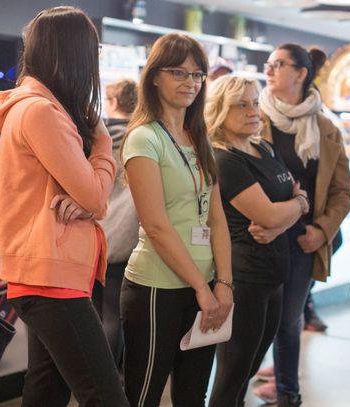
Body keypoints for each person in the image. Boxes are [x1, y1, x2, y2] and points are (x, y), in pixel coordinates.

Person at [0, 7, 128, 407]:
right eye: (93, 51)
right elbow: (96, 197)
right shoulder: (40, 111)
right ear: (75, 53)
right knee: (104, 395)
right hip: (50, 277)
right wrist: (102, 142)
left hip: (50, 273)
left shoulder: (40, 108)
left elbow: (87, 198)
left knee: (48, 390)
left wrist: (87, 199)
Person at [120, 32, 233, 407]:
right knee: (144, 395)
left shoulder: (198, 136)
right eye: (178, 72)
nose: (190, 82)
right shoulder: (144, 138)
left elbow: (217, 218)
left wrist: (224, 284)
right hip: (158, 287)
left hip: (206, 285)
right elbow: (156, 225)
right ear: (155, 76)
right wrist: (203, 287)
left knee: (192, 394)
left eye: (197, 74)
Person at [254, 44, 350, 406]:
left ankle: (288, 394)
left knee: (289, 318)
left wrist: (322, 230)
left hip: (303, 239)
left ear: (301, 73)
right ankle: (240, 386)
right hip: (258, 234)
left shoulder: (325, 129)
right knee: (256, 319)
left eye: (279, 64)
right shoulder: (252, 118)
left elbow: (342, 191)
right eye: (269, 63)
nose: (269, 69)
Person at [205, 75, 309, 407]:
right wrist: (297, 206)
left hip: (274, 275)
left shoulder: (262, 146)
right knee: (233, 373)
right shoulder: (225, 160)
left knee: (248, 370)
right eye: (241, 105)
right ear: (220, 110)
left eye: (254, 102)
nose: (253, 112)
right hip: (245, 279)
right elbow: (270, 214)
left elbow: (284, 207)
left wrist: (286, 216)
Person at [93, 78, 138, 367]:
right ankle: (111, 378)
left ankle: (99, 378)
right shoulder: (143, 138)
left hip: (96, 234)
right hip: (128, 237)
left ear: (112, 102)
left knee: (96, 315)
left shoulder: (96, 139)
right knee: (114, 316)